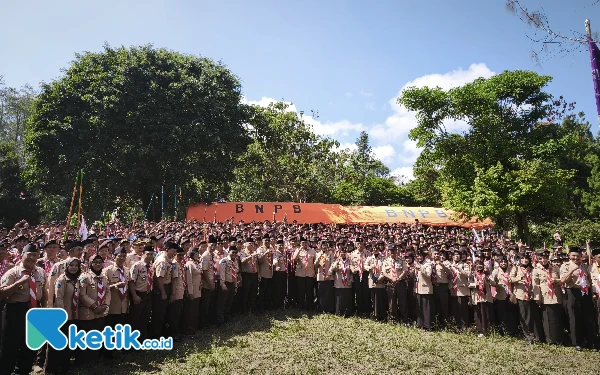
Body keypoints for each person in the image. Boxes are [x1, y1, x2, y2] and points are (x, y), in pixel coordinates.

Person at [0, 243, 47, 375]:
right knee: (10, 345)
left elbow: (43, 291)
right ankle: (5, 371)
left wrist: (44, 308)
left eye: (35, 255)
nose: (32, 258)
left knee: (30, 344)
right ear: (22, 256)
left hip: (34, 310)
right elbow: (2, 293)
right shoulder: (12, 272)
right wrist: (19, 283)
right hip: (15, 311)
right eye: (29, 255)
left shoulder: (41, 272)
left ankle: (23, 370)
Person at [45, 257, 81, 374]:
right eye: (71, 265)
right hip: (63, 316)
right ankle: (51, 369)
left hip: (73, 315)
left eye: (76, 265)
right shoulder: (62, 280)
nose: (74, 268)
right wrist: (62, 315)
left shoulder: (77, 280)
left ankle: (64, 366)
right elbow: (59, 298)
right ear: (66, 267)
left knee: (68, 342)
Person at [76, 255, 110, 366]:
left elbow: (108, 292)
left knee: (98, 334)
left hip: (101, 312)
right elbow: (82, 295)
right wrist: (94, 306)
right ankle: (83, 361)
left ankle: (94, 359)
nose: (98, 264)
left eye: (100, 262)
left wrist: (105, 305)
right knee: (86, 336)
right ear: (90, 264)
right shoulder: (84, 277)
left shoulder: (104, 277)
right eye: (95, 262)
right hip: (88, 312)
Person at [560, 246, 597, 350]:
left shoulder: (584, 266)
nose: (576, 258)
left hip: (585, 292)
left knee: (588, 317)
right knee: (575, 318)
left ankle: (590, 341)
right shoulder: (565, 266)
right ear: (569, 256)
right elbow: (563, 281)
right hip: (573, 292)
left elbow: (589, 278)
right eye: (573, 256)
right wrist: (571, 271)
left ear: (581, 256)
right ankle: (577, 342)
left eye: (578, 256)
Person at [511, 253, 545, 344]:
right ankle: (528, 336)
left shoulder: (533, 269)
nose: (525, 260)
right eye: (523, 258)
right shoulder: (516, 268)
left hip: (531, 295)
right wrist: (519, 278)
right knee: (524, 316)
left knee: (534, 316)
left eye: (526, 259)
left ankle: (537, 336)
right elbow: (511, 279)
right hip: (521, 295)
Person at [532, 250, 563, 345]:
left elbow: (562, 279)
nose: (543, 260)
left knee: (557, 318)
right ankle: (550, 339)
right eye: (540, 258)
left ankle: (558, 338)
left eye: (545, 258)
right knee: (547, 318)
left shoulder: (555, 268)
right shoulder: (536, 270)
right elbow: (535, 285)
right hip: (545, 296)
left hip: (556, 295)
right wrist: (537, 298)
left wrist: (556, 280)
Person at [149, 242, 177, 339]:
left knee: (165, 313)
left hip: (166, 286)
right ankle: (156, 336)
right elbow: (159, 278)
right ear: (167, 249)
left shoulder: (167, 259)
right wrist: (163, 292)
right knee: (159, 314)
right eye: (173, 251)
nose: (174, 253)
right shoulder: (162, 261)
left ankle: (162, 333)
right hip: (162, 288)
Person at [128, 245, 154, 341]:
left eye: (151, 254)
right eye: (148, 254)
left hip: (148, 294)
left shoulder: (150, 266)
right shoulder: (137, 265)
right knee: (135, 319)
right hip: (139, 294)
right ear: (143, 254)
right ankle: (132, 342)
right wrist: (134, 296)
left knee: (145, 317)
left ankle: (142, 340)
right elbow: (131, 281)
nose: (150, 256)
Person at [469, 260, 494, 337]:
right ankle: (479, 331)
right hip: (476, 296)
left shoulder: (487, 274)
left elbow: (493, 283)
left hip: (485, 297)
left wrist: (487, 279)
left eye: (480, 265)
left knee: (485, 314)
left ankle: (485, 330)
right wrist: (474, 284)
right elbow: (468, 284)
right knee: (477, 314)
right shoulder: (472, 274)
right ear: (475, 266)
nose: (479, 266)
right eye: (477, 265)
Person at [328, 244, 354, 317]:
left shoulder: (350, 262)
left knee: (347, 298)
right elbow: (330, 271)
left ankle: (348, 313)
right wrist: (335, 265)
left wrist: (350, 280)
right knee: (339, 299)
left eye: (344, 253)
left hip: (347, 283)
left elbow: (352, 273)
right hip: (339, 283)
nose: (343, 254)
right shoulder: (336, 261)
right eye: (341, 253)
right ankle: (339, 312)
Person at [216, 245, 238, 325]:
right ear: (228, 252)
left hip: (232, 283)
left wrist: (235, 286)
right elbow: (221, 273)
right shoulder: (224, 261)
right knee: (222, 303)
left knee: (229, 302)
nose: (234, 254)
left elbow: (235, 274)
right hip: (226, 284)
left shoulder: (235, 261)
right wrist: (222, 284)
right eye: (232, 252)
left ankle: (227, 318)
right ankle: (220, 321)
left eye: (235, 253)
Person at [182, 249, 202, 335]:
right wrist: (190, 292)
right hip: (192, 290)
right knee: (190, 310)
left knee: (195, 310)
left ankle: (194, 327)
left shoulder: (196, 263)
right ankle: (188, 329)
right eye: (196, 253)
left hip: (198, 289)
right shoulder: (189, 264)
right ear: (192, 255)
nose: (198, 255)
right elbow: (188, 280)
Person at [365, 243, 387, 321]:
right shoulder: (369, 258)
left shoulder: (383, 258)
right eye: (374, 249)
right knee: (373, 298)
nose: (375, 251)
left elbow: (385, 268)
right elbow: (365, 266)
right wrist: (370, 267)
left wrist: (381, 277)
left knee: (381, 298)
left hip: (380, 280)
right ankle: (375, 315)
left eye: (377, 249)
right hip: (372, 280)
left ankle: (382, 315)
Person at [293, 237, 316, 310]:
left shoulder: (312, 251)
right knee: (301, 291)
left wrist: (315, 272)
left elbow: (315, 262)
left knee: (309, 290)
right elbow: (294, 259)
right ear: (300, 243)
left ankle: (310, 306)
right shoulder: (297, 250)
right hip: (300, 273)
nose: (304, 244)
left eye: (305, 242)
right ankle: (301, 306)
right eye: (303, 243)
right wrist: (299, 250)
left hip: (310, 273)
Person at [315, 240, 335, 314]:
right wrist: (320, 257)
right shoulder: (318, 254)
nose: (324, 247)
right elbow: (316, 265)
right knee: (321, 293)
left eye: (325, 246)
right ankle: (321, 308)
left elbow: (332, 264)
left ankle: (329, 309)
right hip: (320, 276)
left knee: (329, 293)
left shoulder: (330, 254)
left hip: (329, 276)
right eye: (322, 246)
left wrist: (329, 274)